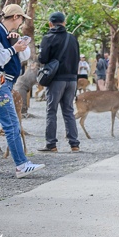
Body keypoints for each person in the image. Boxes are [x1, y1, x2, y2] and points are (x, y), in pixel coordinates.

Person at [0, 4, 45, 178]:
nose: (21, 23)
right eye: (21, 19)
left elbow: (22, 56)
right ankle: (21, 165)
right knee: (12, 124)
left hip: (1, 83)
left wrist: (16, 43)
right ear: (15, 17)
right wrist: (13, 48)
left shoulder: (4, 34)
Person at [37, 12, 81, 153]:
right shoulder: (72, 38)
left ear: (50, 24)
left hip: (56, 80)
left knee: (51, 111)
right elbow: (77, 58)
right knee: (68, 111)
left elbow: (42, 59)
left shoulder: (48, 38)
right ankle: (74, 144)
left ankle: (51, 144)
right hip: (72, 80)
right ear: (64, 23)